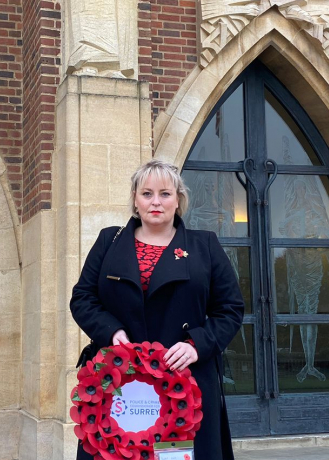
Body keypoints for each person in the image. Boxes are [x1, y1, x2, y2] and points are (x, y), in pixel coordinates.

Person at [70, 159, 245, 460]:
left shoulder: (205, 246)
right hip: (118, 381)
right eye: (147, 193)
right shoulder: (108, 241)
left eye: (165, 193)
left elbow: (230, 309)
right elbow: (83, 298)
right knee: (117, 452)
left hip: (184, 384)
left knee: (175, 455)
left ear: (178, 199)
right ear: (135, 200)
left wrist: (197, 345)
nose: (156, 202)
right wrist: (112, 331)